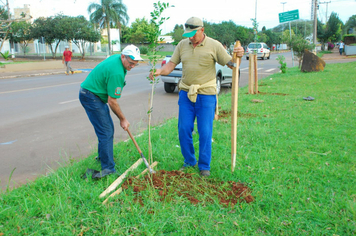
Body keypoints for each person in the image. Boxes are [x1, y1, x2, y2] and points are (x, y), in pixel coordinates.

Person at [150, 17, 244, 177]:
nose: (191, 37)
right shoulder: (182, 45)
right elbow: (171, 64)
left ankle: (204, 166)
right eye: (188, 34)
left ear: (202, 30)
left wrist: (238, 56)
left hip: (206, 94)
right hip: (186, 92)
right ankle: (189, 161)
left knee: (205, 131)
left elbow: (231, 64)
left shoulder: (214, 45)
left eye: (193, 34)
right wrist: (160, 71)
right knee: (184, 128)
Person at [79, 44, 143, 179]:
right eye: (130, 63)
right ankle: (108, 168)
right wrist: (123, 119)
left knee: (105, 129)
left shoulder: (118, 60)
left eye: (135, 64)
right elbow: (112, 101)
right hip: (91, 97)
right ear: (123, 56)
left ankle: (102, 157)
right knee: (106, 131)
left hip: (91, 93)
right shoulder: (117, 73)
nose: (132, 66)